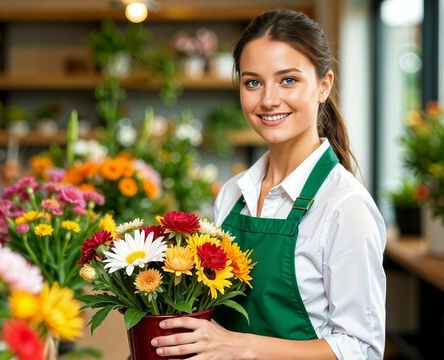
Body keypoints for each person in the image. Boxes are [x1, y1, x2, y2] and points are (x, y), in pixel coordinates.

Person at [151, 8, 386, 360]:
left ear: (324, 85)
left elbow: (361, 349)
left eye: (288, 80)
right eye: (253, 82)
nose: (268, 100)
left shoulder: (344, 207)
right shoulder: (233, 194)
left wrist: (239, 346)